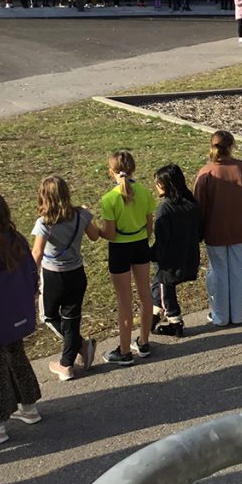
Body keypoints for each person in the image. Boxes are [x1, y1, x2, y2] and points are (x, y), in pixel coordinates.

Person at [0, 194, 43, 445]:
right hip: (17, 315)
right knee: (17, 355)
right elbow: (32, 272)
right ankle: (29, 405)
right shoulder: (16, 240)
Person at [30, 177, 101, 381]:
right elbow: (95, 236)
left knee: (48, 316)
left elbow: (37, 253)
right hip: (77, 273)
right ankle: (76, 351)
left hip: (53, 276)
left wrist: (31, 278)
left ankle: (67, 362)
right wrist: (87, 216)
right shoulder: (81, 215)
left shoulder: (44, 223)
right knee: (72, 318)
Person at [99, 151, 156, 366]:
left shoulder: (109, 199)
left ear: (110, 171)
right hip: (140, 245)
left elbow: (111, 234)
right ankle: (143, 341)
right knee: (145, 295)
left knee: (124, 301)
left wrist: (97, 231)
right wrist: (142, 236)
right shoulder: (144, 192)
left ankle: (123, 350)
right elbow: (150, 225)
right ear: (134, 169)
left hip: (119, 250)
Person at [194, 131, 242, 326]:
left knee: (218, 273)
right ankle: (237, 314)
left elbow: (199, 205)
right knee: (237, 271)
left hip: (215, 229)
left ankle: (220, 316)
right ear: (231, 146)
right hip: (240, 228)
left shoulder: (206, 172)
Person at [149, 165, 201, 338]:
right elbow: (199, 232)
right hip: (188, 254)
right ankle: (154, 314)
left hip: (169, 261)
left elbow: (162, 239)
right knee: (158, 285)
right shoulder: (191, 203)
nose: (155, 186)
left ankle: (175, 322)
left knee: (165, 287)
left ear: (165, 185)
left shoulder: (165, 208)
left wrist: (152, 254)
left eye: (157, 183)